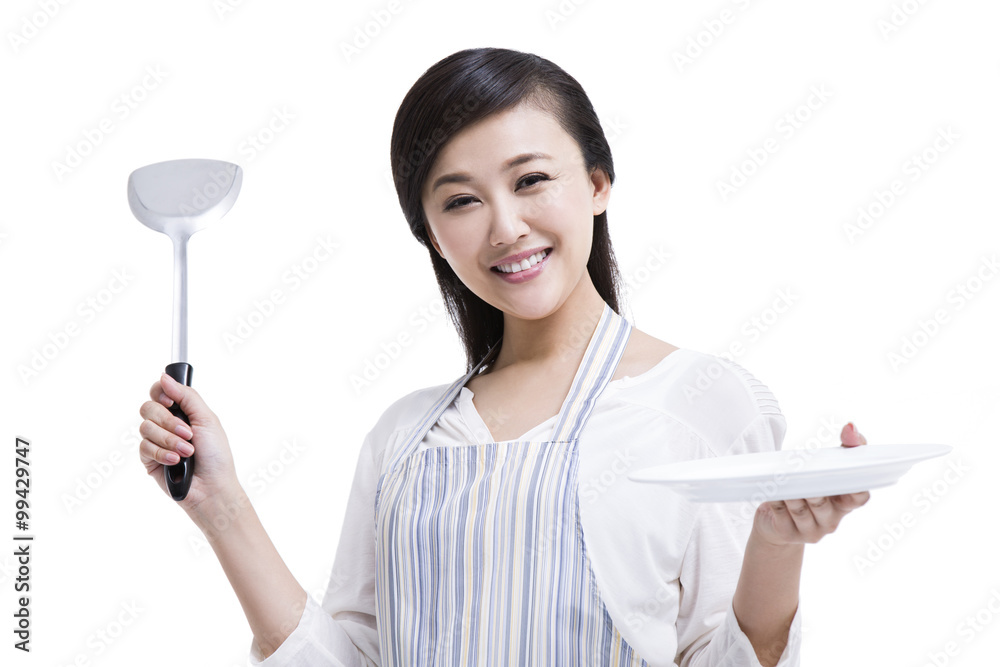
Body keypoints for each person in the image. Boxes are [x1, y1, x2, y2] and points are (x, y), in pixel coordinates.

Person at [138, 47, 870, 667]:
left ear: (596, 182)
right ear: (429, 233)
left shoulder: (703, 401)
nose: (506, 227)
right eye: (460, 201)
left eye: (530, 180)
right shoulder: (405, 437)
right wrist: (220, 505)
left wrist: (777, 542)